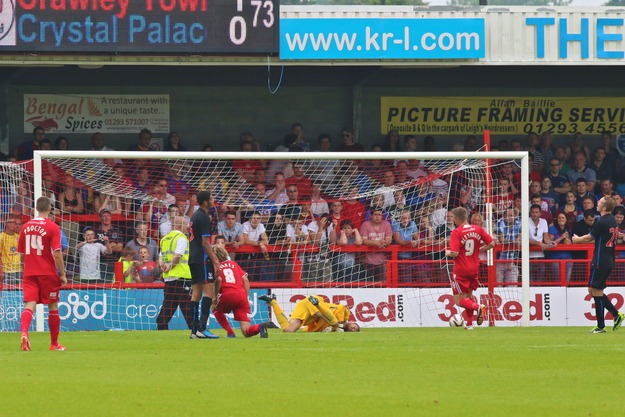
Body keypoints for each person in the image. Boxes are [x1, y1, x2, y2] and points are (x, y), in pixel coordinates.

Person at [18, 196, 68, 351]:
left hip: (29, 272)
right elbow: (58, 253)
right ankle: (54, 344)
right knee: (53, 306)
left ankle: (25, 333)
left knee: (29, 304)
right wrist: (62, 274)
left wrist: (23, 268)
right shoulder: (53, 227)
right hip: (47, 272)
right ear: (50, 209)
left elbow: (21, 253)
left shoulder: (25, 227)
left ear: (36, 209)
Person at [572, 196, 625, 333]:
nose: (597, 203)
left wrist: (577, 240)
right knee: (593, 290)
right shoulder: (612, 220)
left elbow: (590, 237)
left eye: (600, 202)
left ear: (605, 207)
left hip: (601, 260)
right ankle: (616, 314)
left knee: (596, 290)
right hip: (607, 258)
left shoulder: (602, 221)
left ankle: (601, 326)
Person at [445, 207, 495, 330]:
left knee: (459, 300)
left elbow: (455, 253)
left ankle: (478, 307)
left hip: (461, 269)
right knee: (468, 296)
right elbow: (492, 244)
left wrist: (447, 252)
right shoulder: (478, 229)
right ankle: (469, 324)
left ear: (456, 219)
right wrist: (479, 250)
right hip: (474, 268)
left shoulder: (457, 232)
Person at [211, 245, 270, 338]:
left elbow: (219, 280)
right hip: (241, 295)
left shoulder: (215, 267)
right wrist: (246, 297)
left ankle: (230, 333)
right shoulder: (233, 264)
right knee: (246, 331)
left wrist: (214, 296)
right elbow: (245, 279)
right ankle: (259, 327)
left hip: (227, 294)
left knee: (215, 308)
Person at [188, 190, 221, 339]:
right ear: (206, 202)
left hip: (193, 258)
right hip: (202, 258)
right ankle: (202, 328)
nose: (213, 200)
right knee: (208, 292)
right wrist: (215, 261)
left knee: (196, 293)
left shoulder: (195, 216)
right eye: (211, 198)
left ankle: (194, 331)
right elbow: (205, 243)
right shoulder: (204, 217)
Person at [156, 216, 194, 331]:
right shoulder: (181, 238)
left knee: (168, 306)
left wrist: (164, 267)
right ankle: (195, 330)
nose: (188, 227)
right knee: (188, 307)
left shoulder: (165, 239)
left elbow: (161, 258)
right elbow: (178, 256)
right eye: (185, 224)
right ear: (179, 226)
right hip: (182, 277)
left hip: (169, 279)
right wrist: (170, 266)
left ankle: (161, 327)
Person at [258, 294, 360, 333]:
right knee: (334, 323)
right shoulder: (346, 314)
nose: (353, 329)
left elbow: (308, 330)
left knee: (288, 330)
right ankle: (317, 305)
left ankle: (273, 302)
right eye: (355, 327)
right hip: (314, 302)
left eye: (354, 331)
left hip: (307, 312)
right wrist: (339, 326)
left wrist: (328, 330)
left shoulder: (331, 329)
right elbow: (342, 308)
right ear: (353, 321)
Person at [0, 215, 22, 285]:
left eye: (14, 223)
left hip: (19, 270)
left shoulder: (19, 237)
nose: (13, 225)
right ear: (6, 223)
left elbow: (22, 254)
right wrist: (1, 271)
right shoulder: (1, 237)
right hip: (7, 271)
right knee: (7, 294)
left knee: (19, 294)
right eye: (10, 222)